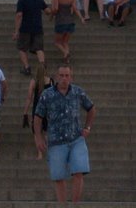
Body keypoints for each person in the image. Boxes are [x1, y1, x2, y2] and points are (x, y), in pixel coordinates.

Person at [33, 64, 95, 203]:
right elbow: (37, 117)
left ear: (71, 78)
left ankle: (75, 204)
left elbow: (91, 108)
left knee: (79, 171)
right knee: (59, 177)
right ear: (56, 77)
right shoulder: (47, 95)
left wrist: (88, 127)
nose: (64, 78)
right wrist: (38, 137)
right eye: (61, 75)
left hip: (76, 138)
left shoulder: (78, 92)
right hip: (56, 141)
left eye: (67, 75)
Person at [14, 0, 48, 75]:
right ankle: (42, 66)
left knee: (22, 48)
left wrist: (16, 31)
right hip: (38, 27)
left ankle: (27, 67)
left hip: (25, 28)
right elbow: (47, 11)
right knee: (39, 48)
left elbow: (19, 15)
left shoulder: (22, 1)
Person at [50, 0, 85, 64]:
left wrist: (51, 16)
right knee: (65, 41)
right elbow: (75, 9)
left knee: (57, 42)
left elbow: (55, 9)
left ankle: (66, 53)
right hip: (70, 21)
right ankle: (67, 59)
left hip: (60, 21)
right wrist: (81, 18)